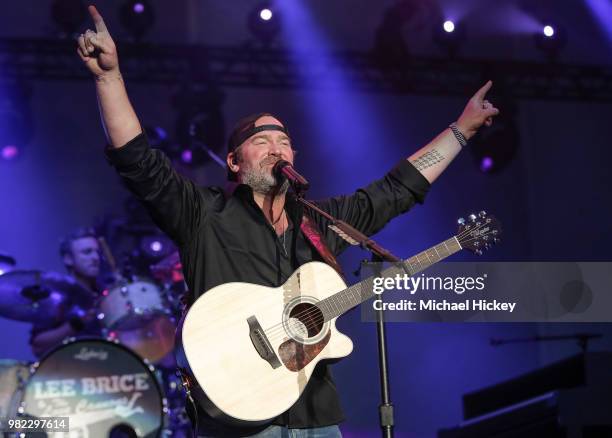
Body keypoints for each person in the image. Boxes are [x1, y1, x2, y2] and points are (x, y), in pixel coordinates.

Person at [76, 5, 499, 437]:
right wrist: (109, 78)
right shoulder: (202, 213)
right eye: (262, 141)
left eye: (285, 142)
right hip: (238, 415)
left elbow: (396, 189)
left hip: (315, 414)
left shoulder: (318, 221)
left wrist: (460, 131)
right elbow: (139, 163)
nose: (277, 149)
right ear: (234, 162)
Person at [30, 227, 102, 358]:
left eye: (97, 252)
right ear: (68, 259)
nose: (95, 257)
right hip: (70, 369)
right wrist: (76, 324)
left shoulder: (107, 291)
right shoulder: (55, 297)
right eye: (87, 252)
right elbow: (38, 346)